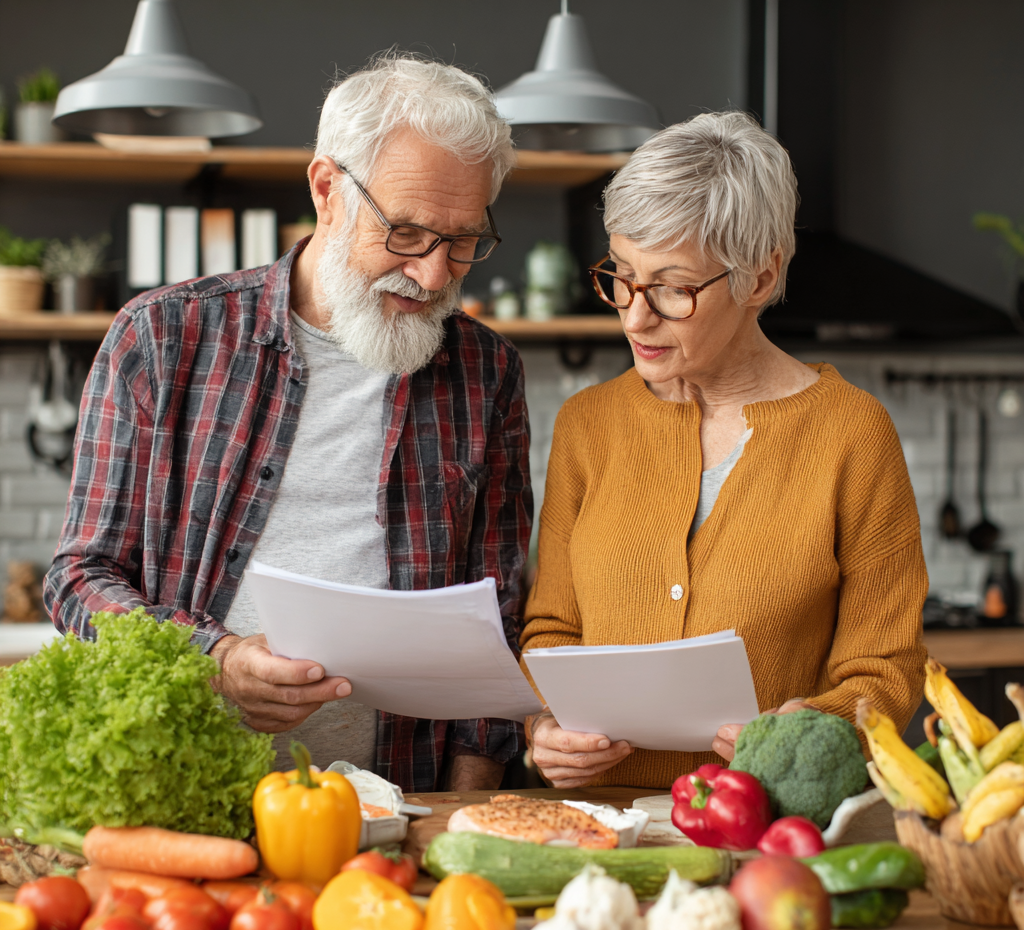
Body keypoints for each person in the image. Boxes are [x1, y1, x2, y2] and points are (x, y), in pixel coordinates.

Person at [44, 56, 532, 793]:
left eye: (462, 241)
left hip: (402, 797)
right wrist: (215, 659)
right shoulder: (163, 339)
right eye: (406, 233)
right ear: (327, 190)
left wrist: (462, 807)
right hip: (188, 787)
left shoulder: (486, 373)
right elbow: (79, 580)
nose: (434, 275)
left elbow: (496, 610)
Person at [520, 111, 927, 788]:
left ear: (760, 280)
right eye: (620, 274)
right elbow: (553, 629)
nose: (633, 314)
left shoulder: (852, 433)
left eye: (673, 288)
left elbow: (884, 668)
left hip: (768, 838)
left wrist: (818, 727)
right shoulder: (586, 425)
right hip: (597, 834)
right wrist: (543, 727)